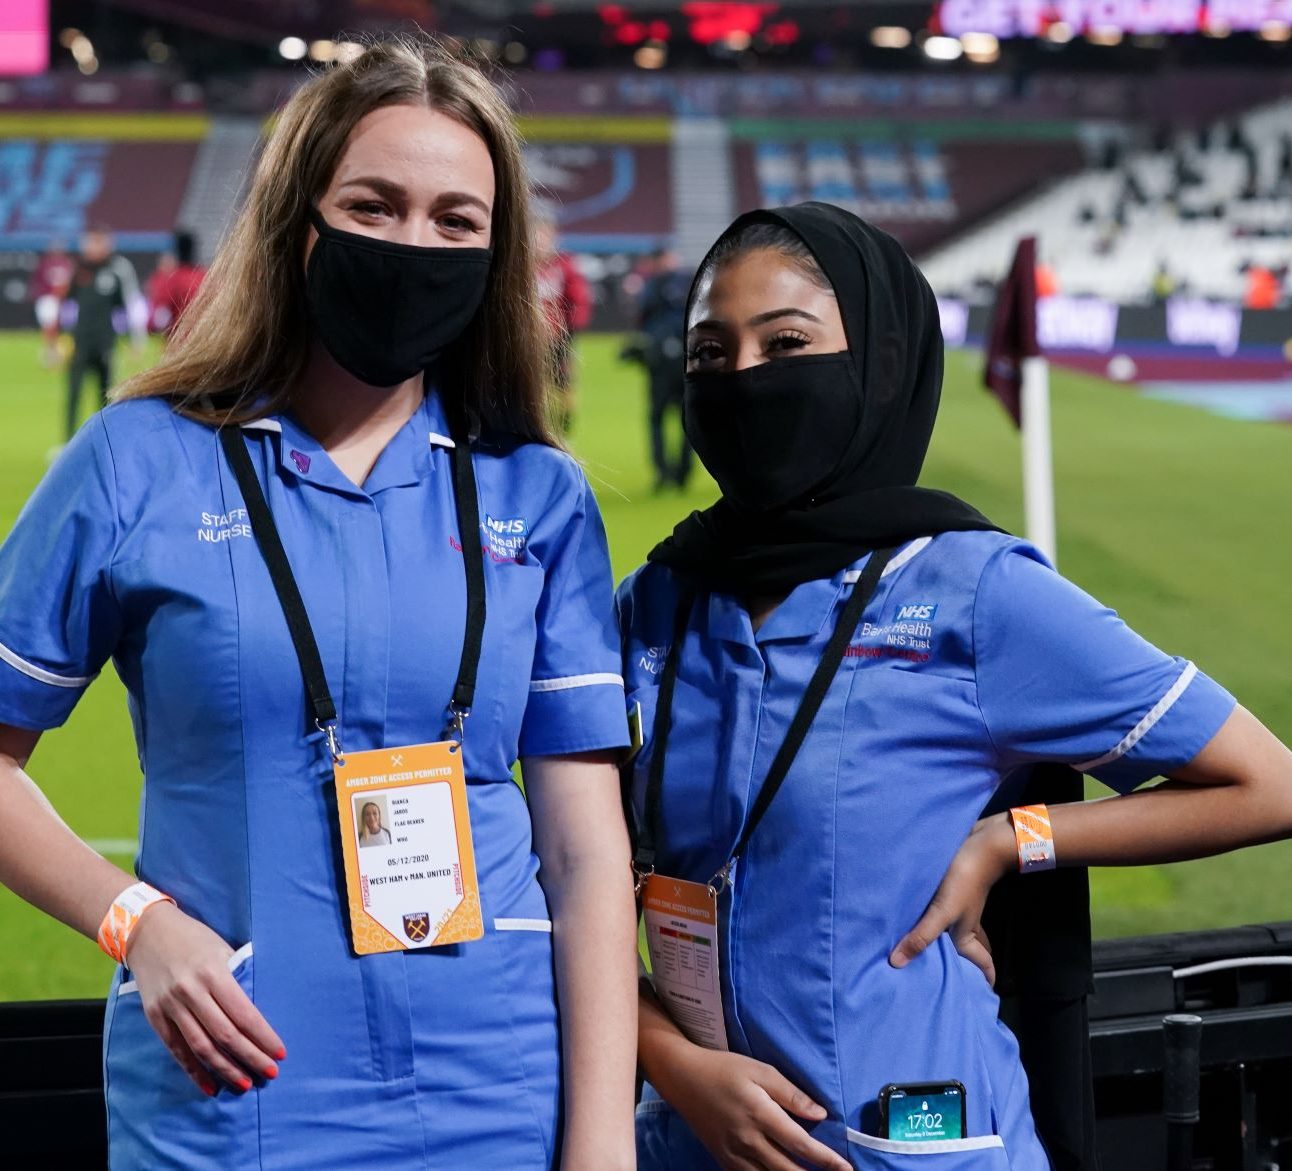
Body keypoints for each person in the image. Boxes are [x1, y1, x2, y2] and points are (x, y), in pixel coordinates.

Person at [0, 37, 636, 1170]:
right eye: (374, 205)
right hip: (231, 1089)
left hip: (499, 1087)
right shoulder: (133, 464)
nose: (413, 244)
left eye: (455, 221)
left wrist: (600, 1144)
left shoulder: (538, 495)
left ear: (494, 256)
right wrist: (133, 923)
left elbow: (585, 854)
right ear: (299, 224)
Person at [619, 203, 1292, 1170]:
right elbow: (571, 887)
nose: (746, 379)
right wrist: (674, 1065)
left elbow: (1266, 781)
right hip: (686, 1143)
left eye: (788, 342)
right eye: (713, 353)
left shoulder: (973, 593)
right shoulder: (652, 606)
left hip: (915, 1146)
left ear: (880, 367)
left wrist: (1010, 841)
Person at [62, 225, 146, 443]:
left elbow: (127, 307)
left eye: (96, 242)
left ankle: (105, 442)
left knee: (105, 395)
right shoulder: (79, 270)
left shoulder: (117, 269)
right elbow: (67, 305)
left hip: (104, 342)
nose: (90, 247)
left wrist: (133, 340)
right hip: (80, 342)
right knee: (73, 394)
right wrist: (61, 338)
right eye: (89, 242)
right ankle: (68, 443)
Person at [637, 246, 693, 491]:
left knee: (659, 418)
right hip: (685, 361)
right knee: (687, 419)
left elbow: (643, 320)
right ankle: (681, 473)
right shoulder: (690, 284)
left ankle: (665, 472)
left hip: (661, 363)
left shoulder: (651, 287)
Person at [533, 209, 592, 434]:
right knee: (533, 388)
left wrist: (570, 330)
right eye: (536, 235)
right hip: (527, 340)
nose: (540, 241)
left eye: (545, 235)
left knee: (562, 386)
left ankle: (562, 425)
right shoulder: (519, 265)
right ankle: (538, 426)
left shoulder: (564, 265)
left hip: (559, 339)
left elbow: (579, 299)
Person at [147, 228, 206, 340]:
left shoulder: (171, 279)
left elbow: (158, 319)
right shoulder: (205, 276)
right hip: (205, 343)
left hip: (178, 345)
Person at [29, 240, 74, 367]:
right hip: (47, 298)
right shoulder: (44, 264)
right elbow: (37, 282)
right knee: (49, 326)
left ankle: (55, 351)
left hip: (62, 300)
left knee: (58, 326)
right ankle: (50, 352)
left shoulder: (67, 263)